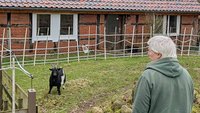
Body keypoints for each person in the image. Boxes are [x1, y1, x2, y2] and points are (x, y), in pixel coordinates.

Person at [132, 35, 194, 113]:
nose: (148, 53)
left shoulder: (148, 77)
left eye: (150, 51)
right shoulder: (187, 75)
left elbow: (139, 110)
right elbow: (189, 105)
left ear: (159, 54)